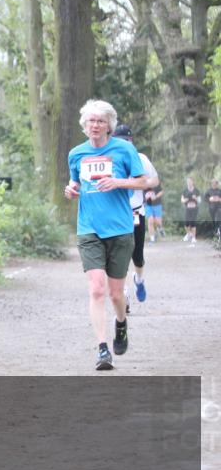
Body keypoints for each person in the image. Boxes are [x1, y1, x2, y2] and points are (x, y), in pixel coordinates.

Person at [65, 100, 151, 371]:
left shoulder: (124, 150)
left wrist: (118, 182)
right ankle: (102, 349)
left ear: (109, 125)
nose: (95, 125)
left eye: (100, 121)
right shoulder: (76, 154)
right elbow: (75, 182)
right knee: (96, 288)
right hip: (89, 228)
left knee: (116, 294)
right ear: (85, 125)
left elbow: (143, 181)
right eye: (91, 121)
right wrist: (71, 190)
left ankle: (121, 323)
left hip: (121, 229)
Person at [112, 124, 158, 311]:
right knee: (119, 257)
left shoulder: (140, 159)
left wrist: (145, 185)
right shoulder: (110, 160)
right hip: (116, 214)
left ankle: (139, 279)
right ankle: (124, 297)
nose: (124, 144)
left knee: (137, 256)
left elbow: (154, 179)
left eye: (127, 140)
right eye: (120, 141)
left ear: (132, 141)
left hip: (137, 212)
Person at [181, 177, 201, 243]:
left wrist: (195, 198)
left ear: (192, 182)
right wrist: (185, 200)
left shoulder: (196, 190)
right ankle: (188, 234)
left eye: (190, 181)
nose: (189, 183)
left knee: (193, 223)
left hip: (194, 208)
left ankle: (193, 238)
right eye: (188, 181)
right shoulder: (184, 191)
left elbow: (199, 201)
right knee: (186, 223)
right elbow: (182, 200)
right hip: (188, 208)